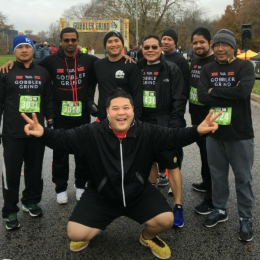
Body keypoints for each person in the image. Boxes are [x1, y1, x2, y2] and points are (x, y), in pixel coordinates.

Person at [21, 88, 221, 259]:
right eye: (115, 108)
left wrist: (198, 130)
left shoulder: (147, 131)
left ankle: (147, 237)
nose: (121, 113)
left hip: (138, 193)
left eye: (126, 107)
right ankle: (96, 225)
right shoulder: (92, 132)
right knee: (75, 233)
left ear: (133, 110)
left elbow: (175, 136)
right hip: (102, 195)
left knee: (166, 220)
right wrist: (43, 133)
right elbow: (63, 139)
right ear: (107, 111)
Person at [0, 27, 99, 204]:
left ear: (78, 41)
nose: (70, 43)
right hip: (60, 116)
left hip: (82, 116)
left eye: (73, 40)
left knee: (83, 154)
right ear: (60, 42)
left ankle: (80, 186)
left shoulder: (90, 60)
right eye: (66, 40)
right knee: (60, 153)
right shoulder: (50, 61)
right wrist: (11, 64)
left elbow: (110, 67)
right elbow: (29, 67)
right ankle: (60, 187)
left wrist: (128, 58)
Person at [197, 29, 255, 242]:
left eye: (225, 45)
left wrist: (215, 92)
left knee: (243, 178)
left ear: (233, 47)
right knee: (217, 175)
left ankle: (245, 217)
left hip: (240, 133)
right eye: (217, 45)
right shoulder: (207, 68)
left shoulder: (245, 66)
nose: (220, 49)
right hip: (215, 132)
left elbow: (243, 93)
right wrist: (224, 93)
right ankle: (220, 209)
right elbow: (202, 96)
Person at [0, 35, 54, 230]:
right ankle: (10, 210)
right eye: (20, 47)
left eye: (27, 46)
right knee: (12, 174)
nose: (24, 50)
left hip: (36, 132)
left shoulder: (43, 72)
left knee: (35, 169)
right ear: (14, 51)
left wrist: (50, 121)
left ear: (33, 49)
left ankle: (30, 201)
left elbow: (48, 99)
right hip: (12, 133)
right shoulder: (5, 72)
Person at [137, 35, 187, 227]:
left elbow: (179, 100)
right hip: (143, 123)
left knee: (171, 165)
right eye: (147, 47)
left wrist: (173, 127)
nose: (150, 50)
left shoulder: (172, 69)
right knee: (149, 162)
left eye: (154, 47)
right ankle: (155, 201)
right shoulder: (137, 68)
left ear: (160, 49)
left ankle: (178, 205)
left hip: (166, 123)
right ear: (142, 49)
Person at [159, 29, 189, 196]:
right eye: (163, 39)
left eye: (169, 39)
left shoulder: (180, 61)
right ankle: (162, 174)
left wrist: (179, 111)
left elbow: (182, 89)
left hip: (174, 110)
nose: (166, 42)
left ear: (175, 43)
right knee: (158, 144)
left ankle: (174, 179)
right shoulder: (156, 57)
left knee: (174, 145)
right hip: (158, 111)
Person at [189, 27, 215, 215]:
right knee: (204, 154)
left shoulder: (216, 61)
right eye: (195, 42)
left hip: (211, 120)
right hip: (196, 118)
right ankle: (206, 183)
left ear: (210, 43)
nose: (198, 46)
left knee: (212, 158)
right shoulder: (195, 60)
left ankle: (212, 200)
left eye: (201, 42)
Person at [93, 31, 142, 121]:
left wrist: (135, 120)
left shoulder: (131, 65)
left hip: (123, 118)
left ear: (122, 44)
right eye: (110, 41)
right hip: (104, 118)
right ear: (105, 45)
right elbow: (89, 87)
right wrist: (91, 105)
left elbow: (137, 95)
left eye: (116, 41)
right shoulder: (97, 65)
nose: (113, 44)